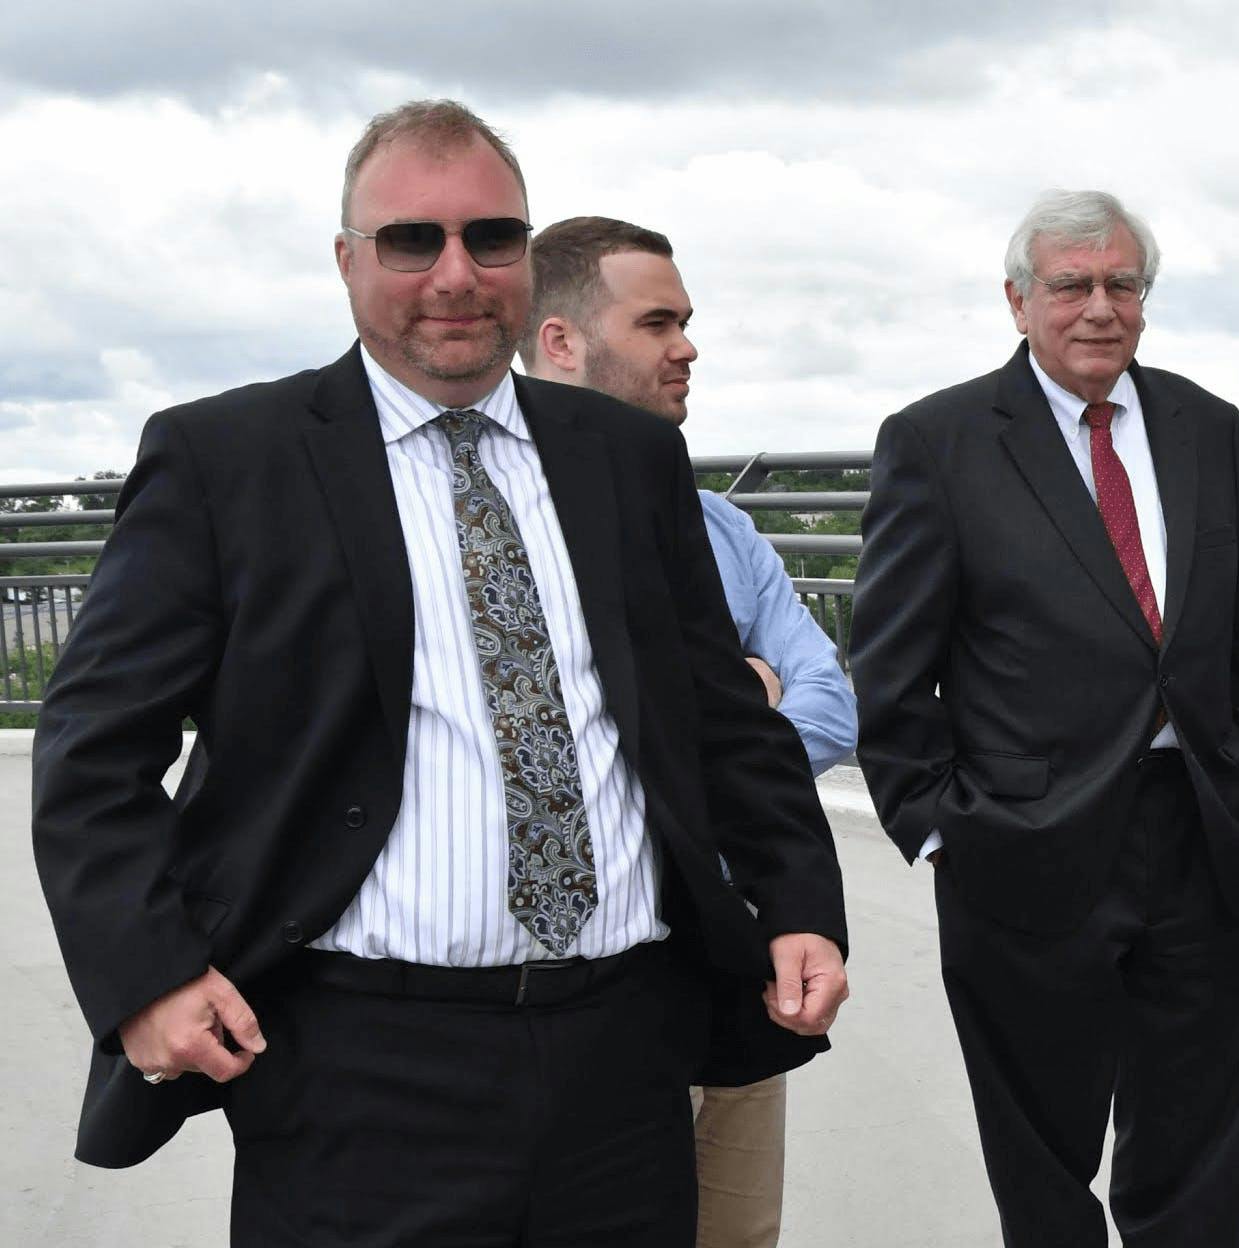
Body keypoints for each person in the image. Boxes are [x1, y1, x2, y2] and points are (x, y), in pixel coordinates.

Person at [31, 99, 848, 1248]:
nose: (455, 273)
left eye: (491, 238)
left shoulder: (626, 459)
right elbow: (93, 752)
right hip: (353, 1069)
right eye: (413, 239)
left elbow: (719, 718)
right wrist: (147, 976)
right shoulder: (228, 460)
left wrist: (802, 902)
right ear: (347, 260)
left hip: (622, 1059)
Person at [850, 189, 1239, 1247]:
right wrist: (942, 828)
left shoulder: (1203, 426)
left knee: (1197, 1147)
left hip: (1200, 837)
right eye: (1071, 285)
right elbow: (890, 663)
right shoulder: (938, 441)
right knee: (1041, 1158)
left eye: (1121, 284)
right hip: (1021, 851)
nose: (1099, 307)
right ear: (1017, 300)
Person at [523, 213, 859, 1248]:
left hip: (733, 950)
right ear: (560, 343)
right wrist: (720, 713)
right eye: (658, 321)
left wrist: (696, 742)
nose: (688, 347)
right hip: (590, 984)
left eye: (687, 320)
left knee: (735, 1234)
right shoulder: (493, 524)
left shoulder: (721, 527)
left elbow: (830, 704)